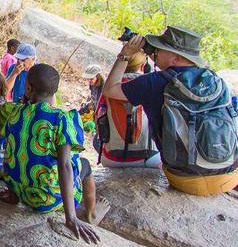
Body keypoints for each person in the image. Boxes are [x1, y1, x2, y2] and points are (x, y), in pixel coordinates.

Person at [102, 26, 238, 195]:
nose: (156, 52)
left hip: (186, 180)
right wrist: (150, 50)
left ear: (175, 58)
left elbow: (110, 89)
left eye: (161, 49)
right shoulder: (215, 81)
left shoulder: (154, 83)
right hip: (229, 175)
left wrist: (125, 55)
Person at [0, 64, 108, 244]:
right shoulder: (60, 118)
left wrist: (13, 192)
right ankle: (91, 214)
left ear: (29, 88)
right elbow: (64, 165)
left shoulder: (15, 112)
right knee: (85, 165)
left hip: (20, 194)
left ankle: (13, 194)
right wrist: (70, 218)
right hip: (45, 200)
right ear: (54, 92)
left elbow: (10, 150)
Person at [95, 52, 161, 168]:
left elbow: (97, 118)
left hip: (112, 158)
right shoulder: (150, 83)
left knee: (96, 140)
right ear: (143, 65)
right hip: (148, 158)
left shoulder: (109, 87)